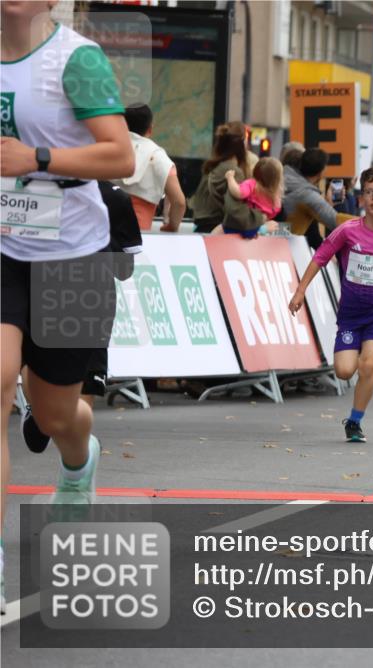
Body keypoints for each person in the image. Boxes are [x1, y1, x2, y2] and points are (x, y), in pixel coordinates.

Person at [1, 0, 135, 612]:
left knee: (57, 416)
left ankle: (79, 459)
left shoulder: (75, 58)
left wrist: (37, 158)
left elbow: (120, 156)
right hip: (3, 247)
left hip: (73, 256)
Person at [288, 164, 373, 444]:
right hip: (350, 314)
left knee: (369, 364)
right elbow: (321, 256)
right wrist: (300, 291)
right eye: (369, 192)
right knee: (345, 370)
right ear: (361, 199)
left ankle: (355, 421)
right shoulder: (348, 231)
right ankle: (354, 409)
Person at [20, 181, 143, 452]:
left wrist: (97, 245)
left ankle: (74, 467)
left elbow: (124, 270)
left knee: (84, 385)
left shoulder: (115, 199)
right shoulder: (36, 187)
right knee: (33, 363)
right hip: (43, 290)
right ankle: (40, 412)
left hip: (91, 296)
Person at [114, 103, 185, 232]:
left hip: (102, 232)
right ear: (150, 128)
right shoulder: (159, 157)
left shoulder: (107, 149)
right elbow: (179, 202)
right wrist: (172, 226)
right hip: (138, 234)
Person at [191, 121, 258, 234]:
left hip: (202, 231)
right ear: (240, 144)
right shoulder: (234, 172)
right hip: (220, 234)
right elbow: (236, 214)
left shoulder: (211, 168)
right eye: (246, 138)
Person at [282, 147, 340, 250]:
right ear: (321, 173)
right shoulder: (307, 195)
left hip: (266, 235)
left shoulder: (283, 175)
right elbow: (335, 221)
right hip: (284, 245)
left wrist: (327, 203)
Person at [224, 156, 283, 239]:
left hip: (245, 229)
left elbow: (238, 192)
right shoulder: (276, 197)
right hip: (258, 230)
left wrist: (230, 178)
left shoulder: (251, 184)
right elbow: (275, 210)